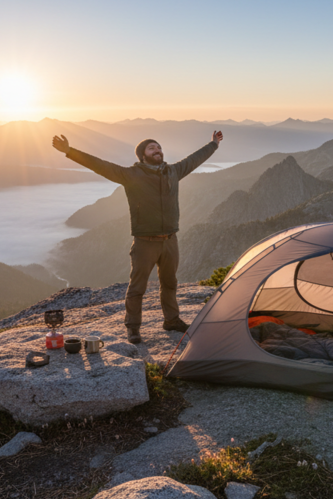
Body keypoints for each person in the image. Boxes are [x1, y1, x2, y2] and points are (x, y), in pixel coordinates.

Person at [52, 130, 224, 343]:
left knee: (170, 283)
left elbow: (194, 159)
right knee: (137, 287)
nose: (157, 150)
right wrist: (69, 151)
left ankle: (172, 320)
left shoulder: (172, 171)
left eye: (159, 147)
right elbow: (100, 165)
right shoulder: (131, 175)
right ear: (142, 155)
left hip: (170, 240)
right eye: (151, 148)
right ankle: (133, 327)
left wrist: (213, 145)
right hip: (145, 242)